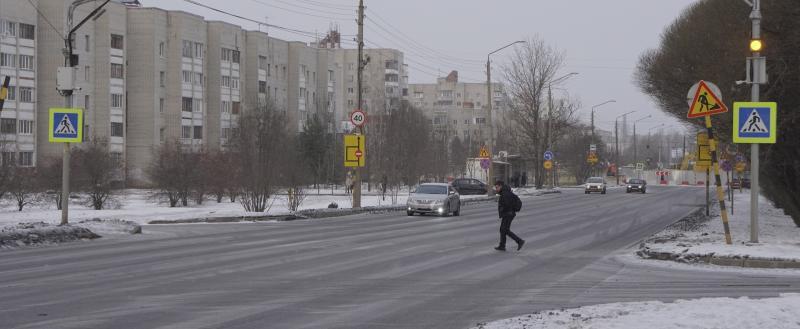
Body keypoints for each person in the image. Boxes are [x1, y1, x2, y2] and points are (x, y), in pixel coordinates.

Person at [494, 180, 525, 251]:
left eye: (497, 187)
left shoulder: (505, 193)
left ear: (501, 186)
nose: (496, 189)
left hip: (508, 214)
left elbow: (508, 204)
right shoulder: (505, 192)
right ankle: (502, 245)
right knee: (502, 229)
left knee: (505, 230)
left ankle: (519, 241)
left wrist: (502, 209)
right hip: (508, 213)